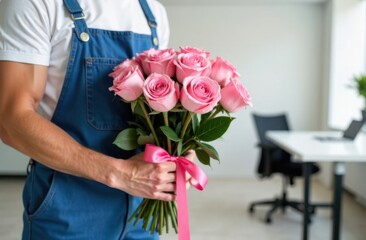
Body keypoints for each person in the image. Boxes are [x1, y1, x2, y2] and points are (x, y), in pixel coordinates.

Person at [0, 0, 187, 239]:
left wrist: (177, 153)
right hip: (66, 211)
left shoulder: (154, 13)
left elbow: (155, 113)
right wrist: (121, 174)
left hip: (143, 213)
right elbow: (11, 120)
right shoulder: (36, 3)